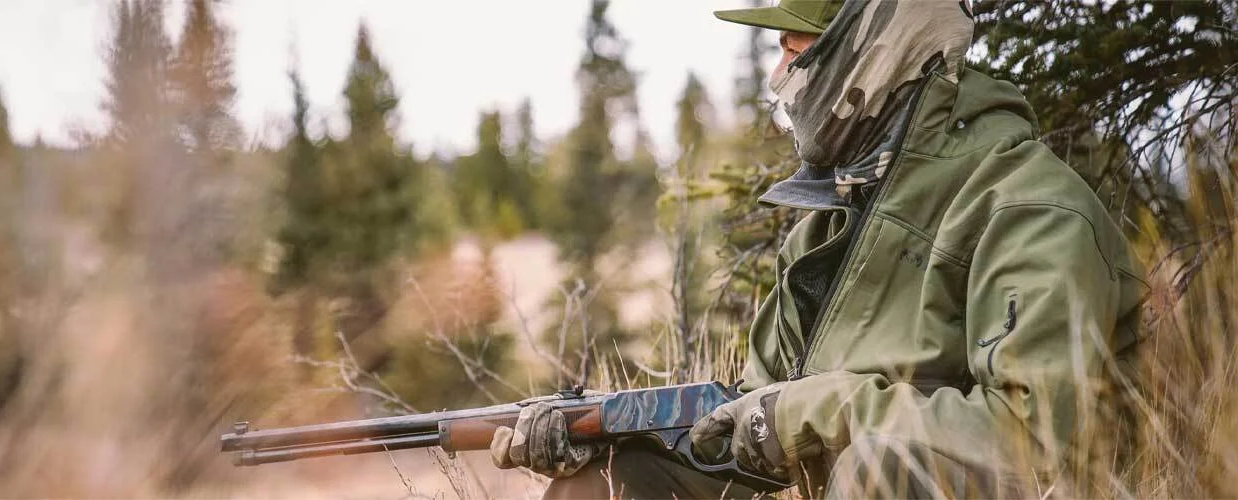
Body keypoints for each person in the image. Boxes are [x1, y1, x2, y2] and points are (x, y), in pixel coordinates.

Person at [487, 0, 1145, 498]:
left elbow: (1039, 443)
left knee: (882, 469)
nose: (778, 79)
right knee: (608, 483)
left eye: (794, 51)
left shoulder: (1029, 211)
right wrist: (608, 433)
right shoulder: (830, 227)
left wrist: (828, 407)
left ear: (872, 51)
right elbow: (750, 422)